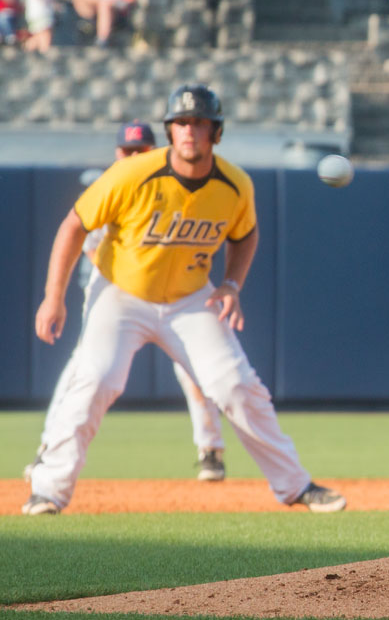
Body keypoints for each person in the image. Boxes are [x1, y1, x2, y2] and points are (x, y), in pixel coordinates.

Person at [22, 84, 346, 515]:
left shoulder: (234, 184)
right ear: (170, 131)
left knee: (236, 385)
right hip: (121, 294)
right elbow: (73, 226)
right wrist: (53, 297)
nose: (189, 130)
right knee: (96, 379)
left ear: (216, 131)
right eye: (180, 123)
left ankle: (296, 485)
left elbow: (245, 236)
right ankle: (49, 490)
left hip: (191, 299)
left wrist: (231, 285)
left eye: (199, 123)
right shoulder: (132, 173)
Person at [23, 121, 229, 485]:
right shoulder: (108, 188)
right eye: (127, 150)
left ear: (154, 150)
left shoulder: (164, 188)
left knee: (197, 370)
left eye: (141, 150)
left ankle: (210, 450)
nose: (134, 156)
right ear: (117, 153)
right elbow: (84, 241)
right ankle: (48, 449)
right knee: (82, 371)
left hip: (173, 297)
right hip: (115, 297)